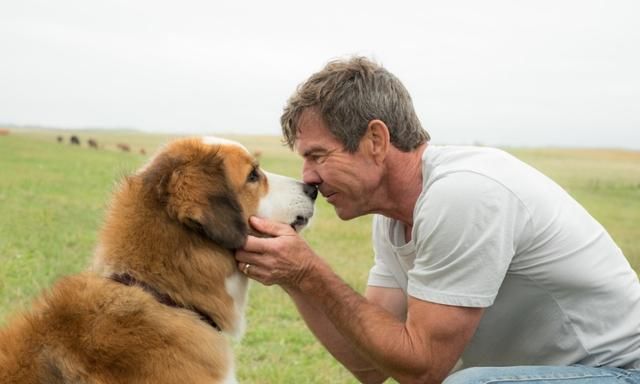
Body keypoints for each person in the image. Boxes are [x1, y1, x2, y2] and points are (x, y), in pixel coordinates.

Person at [234, 57, 640, 384]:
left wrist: (309, 272)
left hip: (620, 371)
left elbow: (423, 369)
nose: (307, 176)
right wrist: (293, 277)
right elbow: (371, 364)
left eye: (318, 156)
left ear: (376, 140)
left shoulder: (463, 193)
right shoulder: (393, 219)